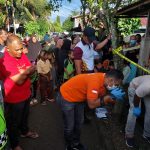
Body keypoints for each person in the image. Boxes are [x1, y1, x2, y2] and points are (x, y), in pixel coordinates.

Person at [60, 70, 125, 150]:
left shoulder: (105, 82)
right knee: (70, 126)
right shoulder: (95, 81)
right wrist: (107, 98)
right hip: (67, 97)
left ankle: (75, 143)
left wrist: (110, 96)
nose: (116, 87)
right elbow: (91, 104)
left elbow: (99, 98)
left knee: (79, 123)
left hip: (79, 98)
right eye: (116, 85)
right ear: (111, 80)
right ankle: (69, 145)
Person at [0, 35, 39, 150]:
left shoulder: (21, 55)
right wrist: (27, 70)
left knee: (24, 117)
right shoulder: (4, 61)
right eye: (17, 49)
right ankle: (15, 144)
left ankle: (25, 131)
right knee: (13, 123)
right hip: (13, 99)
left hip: (26, 94)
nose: (20, 52)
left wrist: (24, 72)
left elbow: (32, 71)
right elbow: (20, 80)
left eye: (21, 48)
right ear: (7, 49)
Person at [125, 75, 150, 148]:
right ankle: (128, 135)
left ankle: (147, 134)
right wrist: (136, 108)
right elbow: (137, 96)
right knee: (133, 112)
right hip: (135, 88)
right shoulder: (147, 86)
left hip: (146, 91)